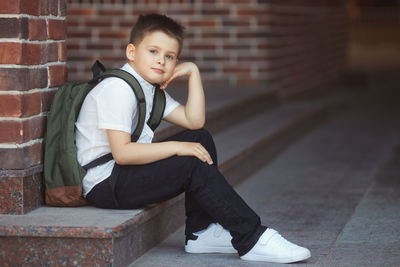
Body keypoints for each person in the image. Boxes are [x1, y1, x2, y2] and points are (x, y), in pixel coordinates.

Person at [75, 13, 311, 264]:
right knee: (189, 160)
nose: (161, 61)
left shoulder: (147, 88)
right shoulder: (118, 89)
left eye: (169, 56)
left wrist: (193, 72)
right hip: (104, 183)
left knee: (200, 138)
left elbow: (194, 120)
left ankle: (200, 233)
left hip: (122, 172)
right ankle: (251, 237)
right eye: (153, 51)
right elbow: (122, 153)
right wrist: (177, 147)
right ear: (131, 52)